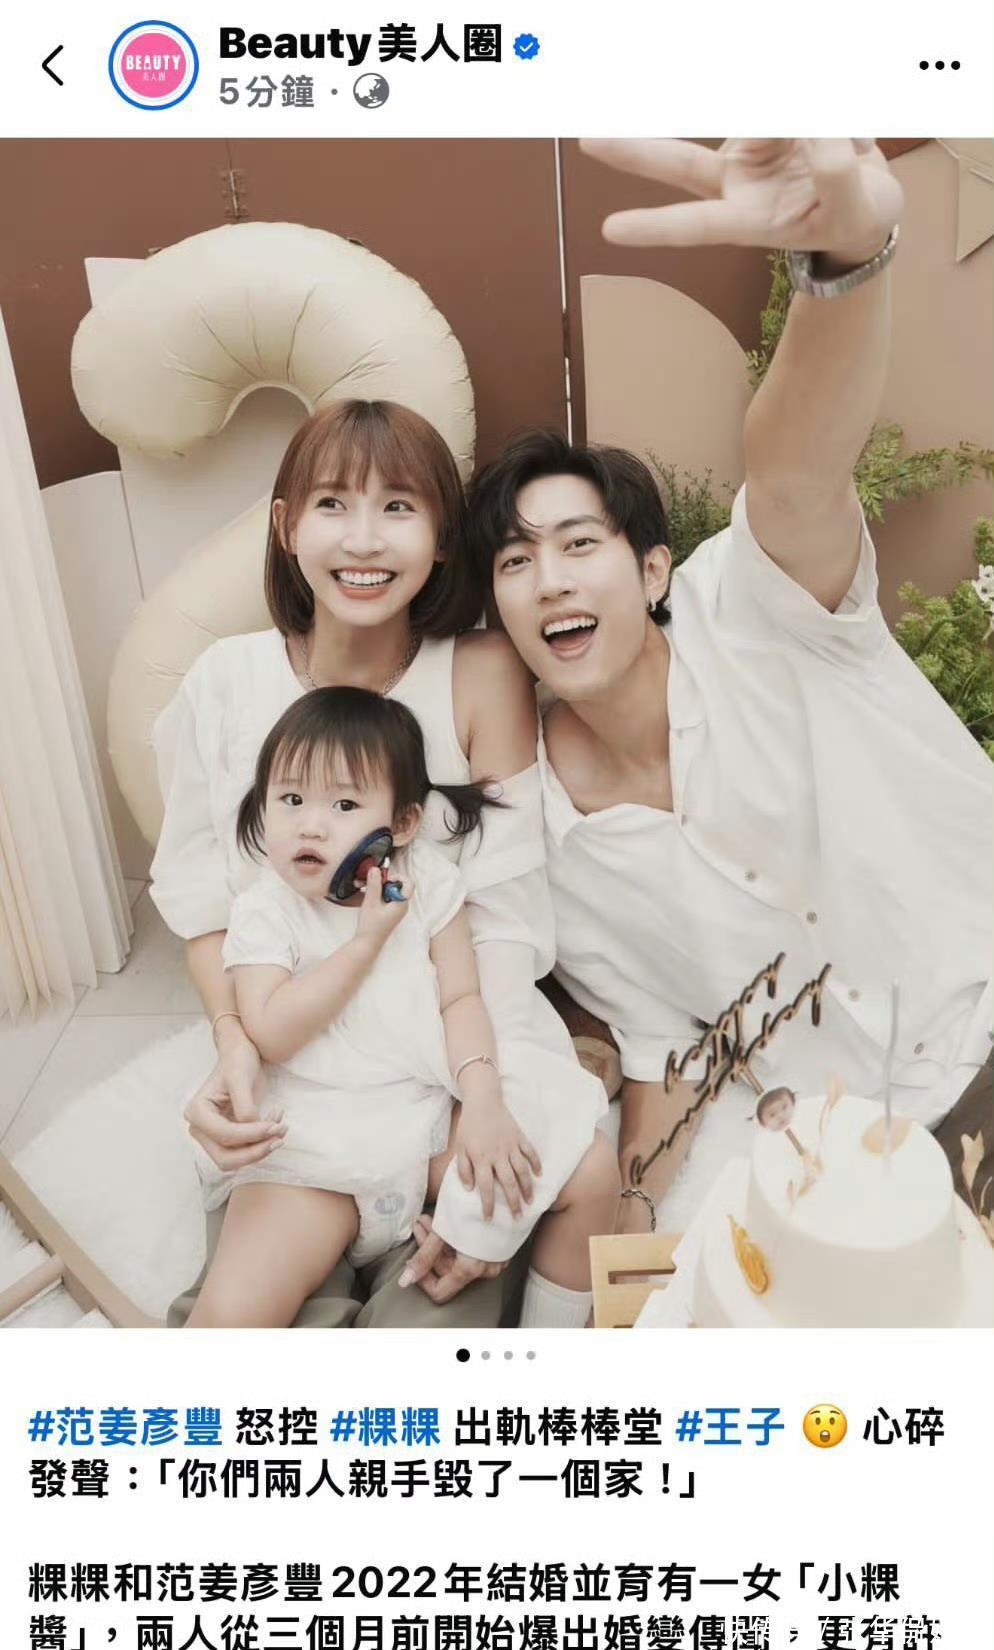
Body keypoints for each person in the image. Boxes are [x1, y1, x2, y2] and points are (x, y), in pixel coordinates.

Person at [465, 138, 994, 1233]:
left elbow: (794, 466)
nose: (550, 579)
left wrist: (846, 261)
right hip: (878, 1147)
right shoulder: (546, 835)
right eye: (515, 562)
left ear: (654, 571)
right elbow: (668, 1040)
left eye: (579, 543)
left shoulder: (753, 607)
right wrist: (632, 1222)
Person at [152, 398, 610, 1327]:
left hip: (448, 1053)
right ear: (286, 526)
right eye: (332, 503)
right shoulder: (225, 683)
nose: (364, 539)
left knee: (558, 1179)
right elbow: (205, 909)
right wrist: (235, 1045)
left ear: (441, 538)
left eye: (398, 506)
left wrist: (481, 1088)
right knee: (230, 1329)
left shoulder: (479, 672)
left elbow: (506, 919)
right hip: (306, 1068)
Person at [186, 688, 614, 1327]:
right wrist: (364, 944)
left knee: (588, 1168)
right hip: (308, 1147)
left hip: (421, 1128)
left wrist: (484, 1101)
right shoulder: (266, 908)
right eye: (291, 799)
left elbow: (461, 999)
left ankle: (550, 1339)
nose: (310, 825)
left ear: (404, 824)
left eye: (344, 805)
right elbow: (271, 1030)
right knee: (229, 1318)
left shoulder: (428, 883)